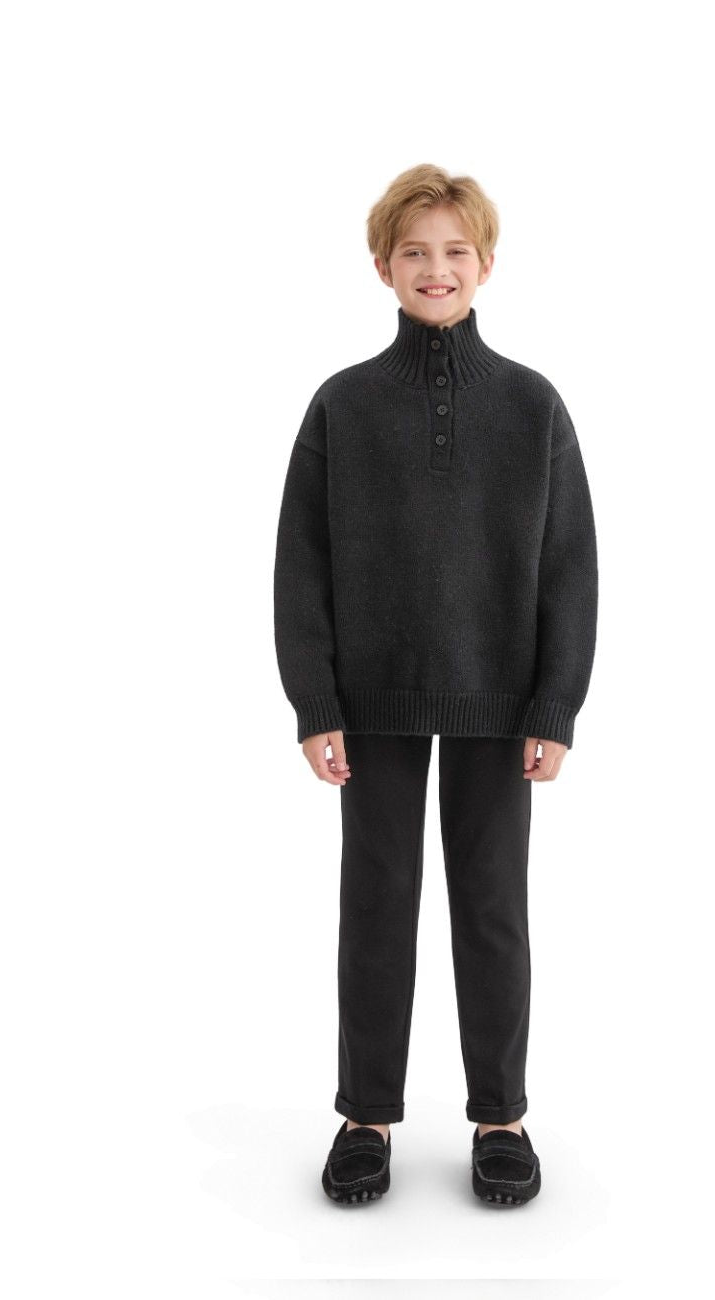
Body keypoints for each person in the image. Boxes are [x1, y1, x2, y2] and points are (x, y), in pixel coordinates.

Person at [273, 163, 598, 1206]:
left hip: (501, 704)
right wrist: (315, 701)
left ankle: (501, 1115)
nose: (435, 267)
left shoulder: (533, 406)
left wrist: (556, 705)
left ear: (487, 264)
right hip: (372, 700)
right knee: (376, 904)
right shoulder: (343, 405)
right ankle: (365, 1114)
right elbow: (301, 564)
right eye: (414, 250)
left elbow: (569, 564)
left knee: (493, 907)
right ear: (382, 266)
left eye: (455, 250)